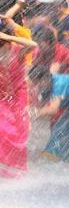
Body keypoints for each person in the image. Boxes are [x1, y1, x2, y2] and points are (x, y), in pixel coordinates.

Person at [0, 29, 37, 177]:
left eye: (1, 43)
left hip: (18, 97)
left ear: (8, 44)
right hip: (2, 98)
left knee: (19, 134)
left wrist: (8, 36)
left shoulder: (18, 53)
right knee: (3, 128)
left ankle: (15, 168)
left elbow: (33, 44)